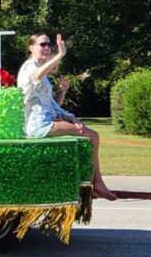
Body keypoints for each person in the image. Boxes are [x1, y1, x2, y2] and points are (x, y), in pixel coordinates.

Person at [19, 33, 116, 200]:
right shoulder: (30, 67)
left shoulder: (43, 76)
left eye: (49, 45)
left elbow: (52, 105)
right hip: (38, 125)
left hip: (46, 121)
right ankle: (96, 184)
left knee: (91, 136)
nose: (47, 47)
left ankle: (94, 183)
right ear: (31, 48)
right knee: (92, 136)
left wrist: (70, 115)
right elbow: (36, 76)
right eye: (42, 44)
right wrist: (60, 55)